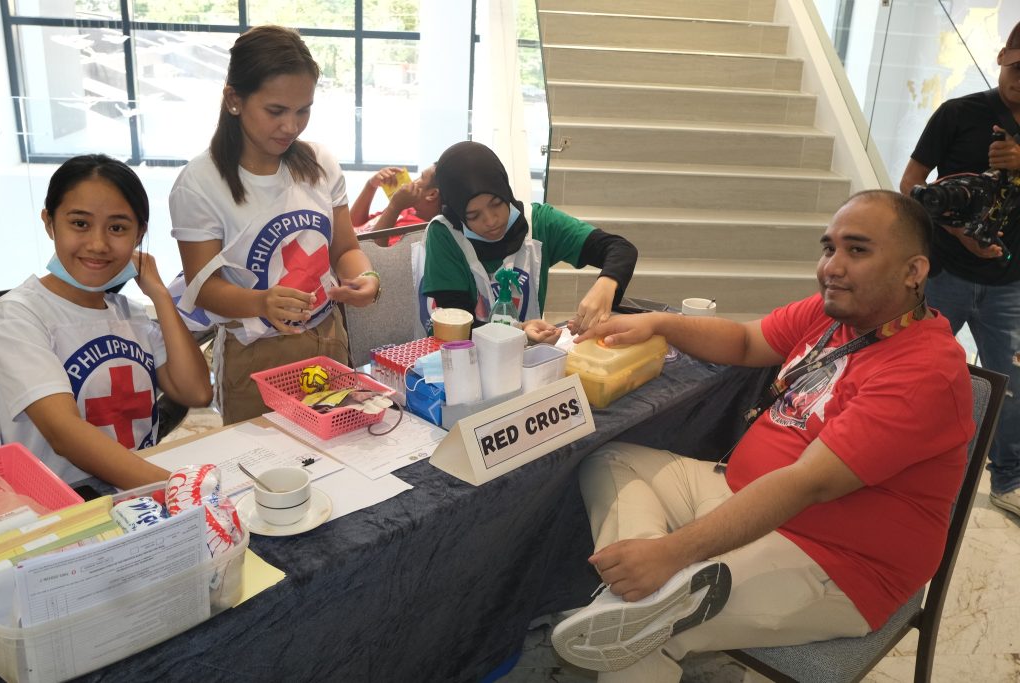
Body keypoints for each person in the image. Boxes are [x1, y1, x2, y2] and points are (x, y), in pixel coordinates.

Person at [550, 190, 974, 682]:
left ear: (913, 271)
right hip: (744, 495)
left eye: (857, 250)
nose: (832, 266)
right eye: (828, 248)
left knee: (636, 638)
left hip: (840, 562)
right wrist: (658, 323)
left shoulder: (925, 371)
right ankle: (656, 595)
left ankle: (651, 603)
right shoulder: (833, 314)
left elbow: (806, 484)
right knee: (611, 460)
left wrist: (674, 552)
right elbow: (748, 341)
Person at [169, 25, 379, 425]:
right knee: (264, 474)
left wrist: (366, 277)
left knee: (339, 458)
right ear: (234, 99)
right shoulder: (200, 183)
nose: (292, 126)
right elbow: (203, 286)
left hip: (326, 338)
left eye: (303, 110)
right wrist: (261, 302)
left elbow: (345, 249)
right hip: (255, 355)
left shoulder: (319, 163)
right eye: (276, 111)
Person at [0, 155, 212, 490]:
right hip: (59, 512)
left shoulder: (132, 314)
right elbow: (63, 434)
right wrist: (175, 489)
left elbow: (196, 391)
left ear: (139, 235)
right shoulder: (17, 316)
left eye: (117, 228)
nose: (98, 244)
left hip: (136, 498)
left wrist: (159, 295)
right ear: (49, 222)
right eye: (80, 224)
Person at [898, 20, 1020, 516]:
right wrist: (955, 228)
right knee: (918, 376)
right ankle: (904, 470)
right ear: (1001, 58)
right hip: (944, 273)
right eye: (1017, 66)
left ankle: (1008, 480)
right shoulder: (959, 113)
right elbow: (910, 185)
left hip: (1011, 284)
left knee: (1011, 390)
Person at [420, 141, 637, 343]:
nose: (491, 220)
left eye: (496, 203)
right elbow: (454, 329)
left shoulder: (539, 223)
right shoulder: (445, 236)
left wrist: (606, 285)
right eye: (474, 216)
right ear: (457, 213)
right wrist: (521, 330)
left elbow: (620, 249)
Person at [350, 164, 440, 235]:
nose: (414, 181)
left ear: (432, 194)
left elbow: (373, 249)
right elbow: (353, 223)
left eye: (421, 177)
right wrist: (371, 185)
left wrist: (394, 207)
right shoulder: (407, 209)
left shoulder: (415, 230)